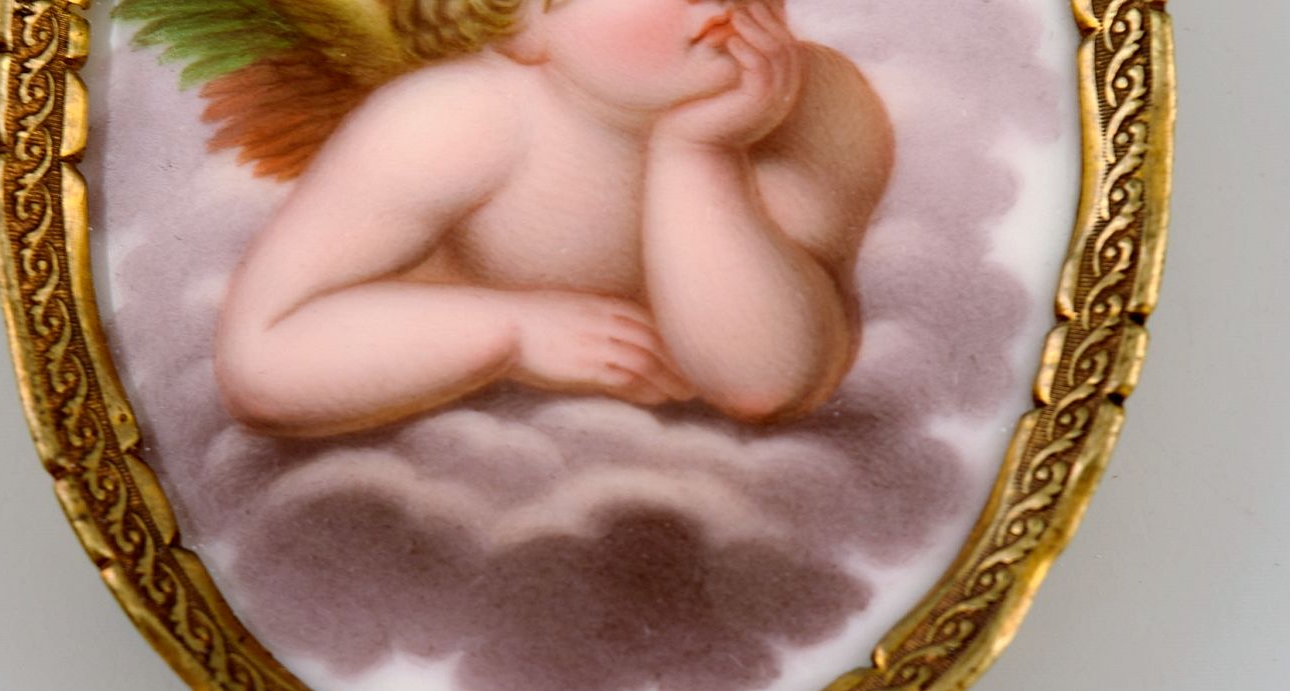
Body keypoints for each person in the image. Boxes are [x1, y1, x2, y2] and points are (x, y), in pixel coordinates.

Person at [215, 0, 893, 438]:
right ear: (519, 24)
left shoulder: (817, 103)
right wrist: (514, 332)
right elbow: (261, 361)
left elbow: (766, 381)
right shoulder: (458, 119)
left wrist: (697, 152)